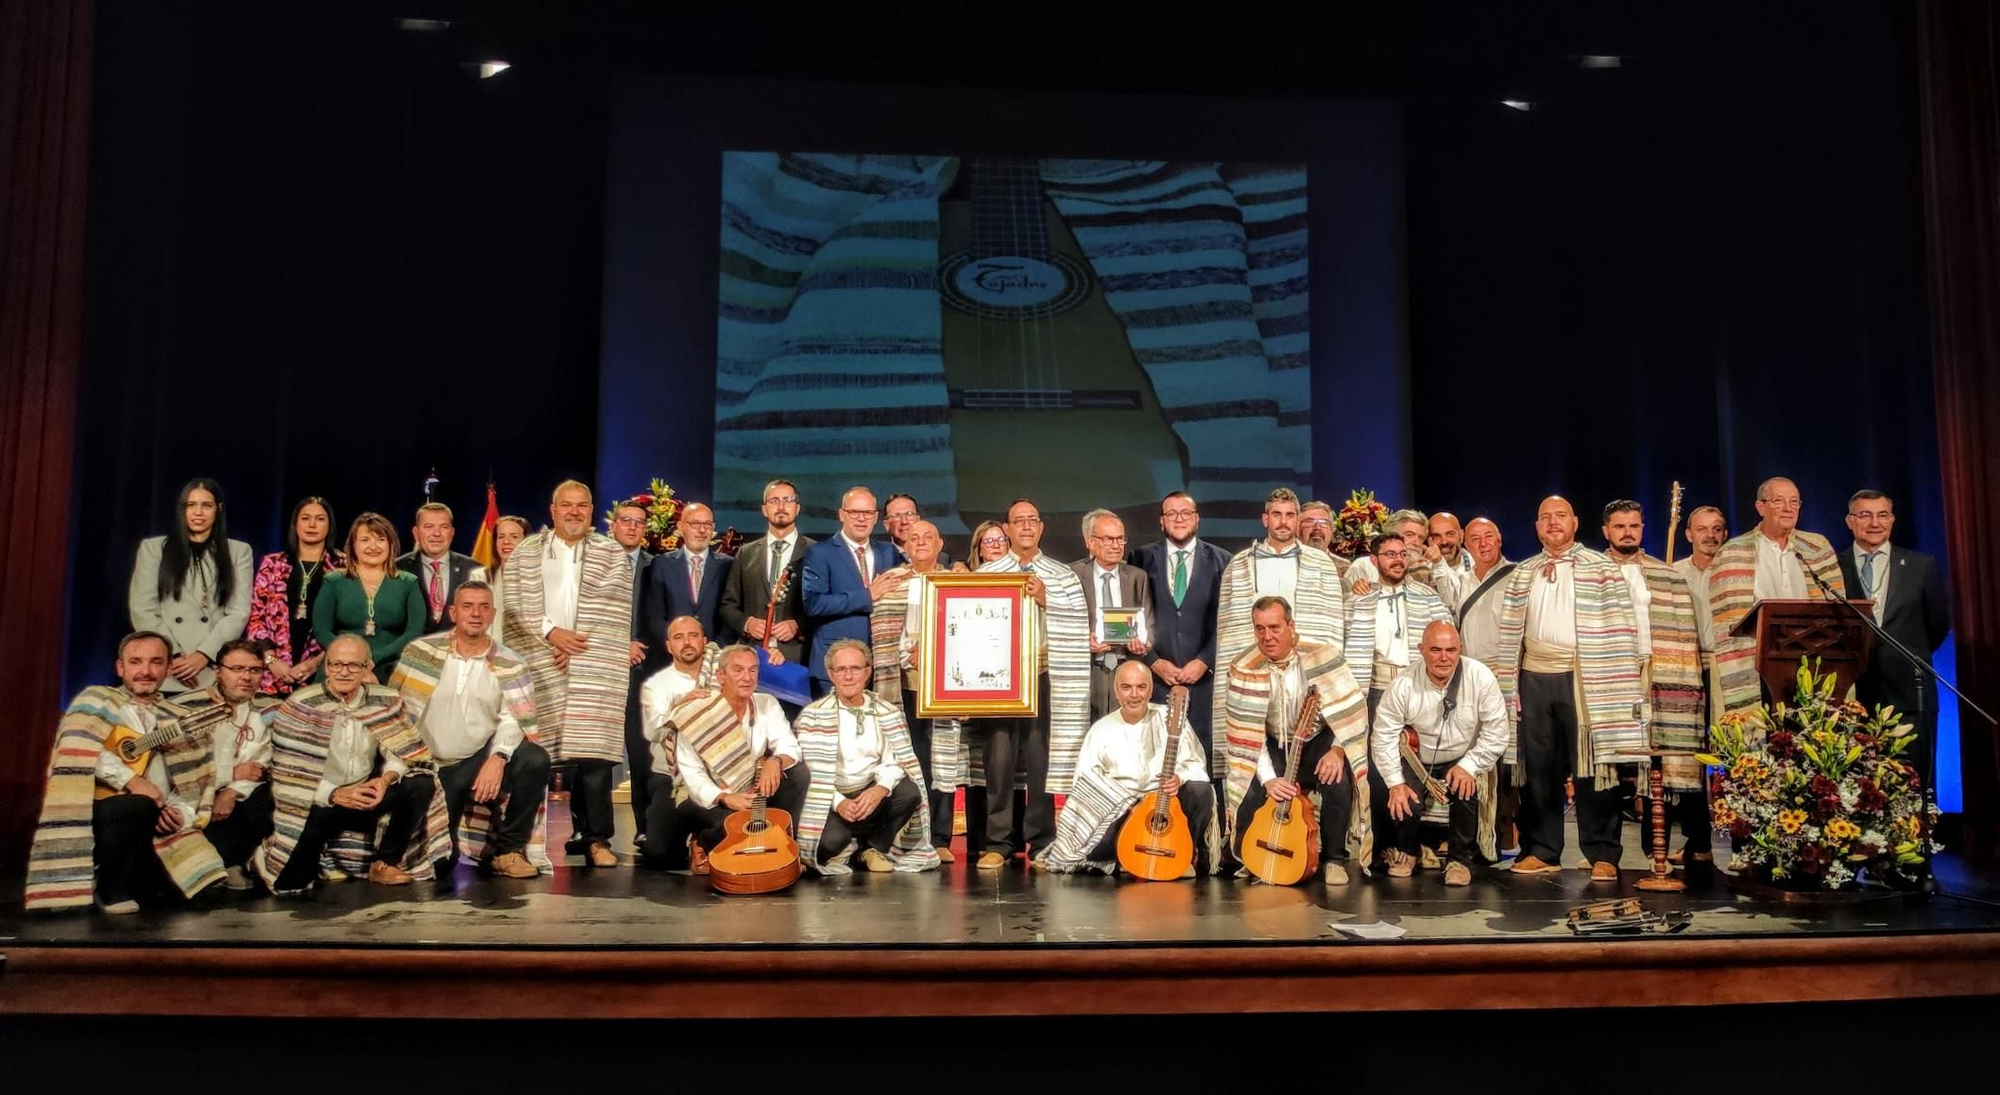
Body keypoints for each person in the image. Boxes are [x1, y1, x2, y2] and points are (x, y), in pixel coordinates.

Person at [1488, 496, 1643, 881]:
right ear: (1537, 527)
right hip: (1534, 673)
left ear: (1575, 522)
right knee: (1539, 768)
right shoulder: (1524, 572)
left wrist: (1618, 682)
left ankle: (1602, 852)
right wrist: (1512, 684)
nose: (1553, 523)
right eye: (1545, 518)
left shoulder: (1602, 567)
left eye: (1560, 516)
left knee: (1592, 764)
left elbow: (1621, 627)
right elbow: (1511, 634)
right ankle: (1542, 849)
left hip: (1585, 675)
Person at [24, 631, 225, 913]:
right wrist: (131, 780)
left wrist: (180, 812)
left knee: (202, 890)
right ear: (121, 668)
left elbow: (195, 781)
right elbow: (77, 747)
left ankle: (134, 876)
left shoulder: (179, 717)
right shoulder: (95, 701)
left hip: (157, 820)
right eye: (136, 662)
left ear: (168, 668)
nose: (145, 671)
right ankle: (109, 889)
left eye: (156, 662)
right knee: (136, 806)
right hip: (101, 812)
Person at [498, 480, 635, 869]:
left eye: (582, 506)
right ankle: (515, 841)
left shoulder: (611, 554)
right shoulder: (525, 553)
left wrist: (578, 648)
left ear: (592, 512)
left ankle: (595, 839)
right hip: (540, 659)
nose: (574, 512)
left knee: (594, 758)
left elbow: (612, 611)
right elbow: (515, 605)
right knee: (532, 753)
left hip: (592, 662)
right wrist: (551, 636)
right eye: (566, 505)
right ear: (552, 510)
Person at [1212, 487, 1346, 867]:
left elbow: (1333, 632)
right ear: (1265, 518)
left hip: (1306, 688)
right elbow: (1228, 636)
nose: (1283, 521)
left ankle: (1333, 858)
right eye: (1276, 514)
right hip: (1256, 688)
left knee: (1336, 775)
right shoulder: (1238, 565)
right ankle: (1243, 853)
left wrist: (1323, 681)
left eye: (1290, 515)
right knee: (1251, 778)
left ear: (1298, 520)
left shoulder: (1321, 566)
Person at [251, 634, 447, 893]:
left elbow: (402, 753)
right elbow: (288, 773)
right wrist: (335, 794)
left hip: (366, 794)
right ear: (326, 667)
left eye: (354, 665)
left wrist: (384, 780)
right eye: (336, 665)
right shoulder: (300, 705)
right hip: (318, 800)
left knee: (421, 783)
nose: (344, 672)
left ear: (368, 667)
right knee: (291, 882)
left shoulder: (385, 699)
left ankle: (384, 862)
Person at [389, 581, 550, 880]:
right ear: (453, 612)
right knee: (441, 864)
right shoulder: (421, 652)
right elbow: (394, 714)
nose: (476, 613)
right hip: (430, 765)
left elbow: (514, 718)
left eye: (484, 607)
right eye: (467, 606)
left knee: (535, 758)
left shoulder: (511, 663)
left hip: (479, 755)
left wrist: (498, 757)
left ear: (493, 614)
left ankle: (508, 852)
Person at [969, 499, 1090, 869]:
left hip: (1044, 677)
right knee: (999, 761)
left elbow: (1079, 622)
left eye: (1032, 521)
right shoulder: (989, 574)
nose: (1025, 527)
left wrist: (1046, 600)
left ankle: (1040, 842)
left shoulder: (1062, 575)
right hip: (1000, 681)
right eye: (1017, 521)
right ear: (1006, 529)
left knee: (1041, 762)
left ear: (1041, 527)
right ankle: (998, 842)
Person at [1224, 597, 1370, 885]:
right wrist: (1268, 779)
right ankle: (1252, 856)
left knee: (1337, 784)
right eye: (1260, 628)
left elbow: (1351, 709)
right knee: (1250, 792)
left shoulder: (1322, 657)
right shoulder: (1243, 667)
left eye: (1275, 627)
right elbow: (1246, 732)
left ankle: (1333, 859)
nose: (1267, 636)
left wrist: (1337, 751)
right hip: (1271, 744)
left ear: (1291, 626)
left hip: (1317, 740)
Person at [1601, 500, 1709, 866]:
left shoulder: (1667, 576)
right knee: (1610, 765)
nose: (1627, 532)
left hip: (1660, 672)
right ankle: (1604, 851)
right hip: (1612, 675)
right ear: (1606, 531)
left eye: (1634, 525)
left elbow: (1684, 632)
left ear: (1642, 529)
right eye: (1619, 526)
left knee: (1657, 762)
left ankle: (1655, 849)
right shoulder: (1591, 572)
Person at [1037, 661, 1214, 875]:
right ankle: (1127, 854)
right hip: (1121, 811)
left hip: (1165, 807)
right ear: (1116, 691)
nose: (1134, 695)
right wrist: (1124, 806)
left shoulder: (1171, 719)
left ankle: (1182, 853)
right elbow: (1084, 786)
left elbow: (1196, 763)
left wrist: (1180, 778)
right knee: (1095, 846)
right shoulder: (1100, 731)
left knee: (1200, 791)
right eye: (1126, 687)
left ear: (1150, 691)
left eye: (1141, 687)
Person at [1369, 622, 1508, 886]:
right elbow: (1383, 736)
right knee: (1401, 796)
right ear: (1421, 650)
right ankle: (1409, 851)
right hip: (1419, 758)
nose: (1444, 657)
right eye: (1435, 650)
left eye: (1450, 650)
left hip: (1462, 757)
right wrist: (1396, 784)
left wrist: (1471, 764)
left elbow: (1497, 731)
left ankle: (1460, 860)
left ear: (1460, 649)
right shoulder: (1403, 684)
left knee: (1466, 787)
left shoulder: (1480, 677)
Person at [1344, 532, 1452, 862]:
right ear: (1374, 560)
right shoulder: (1358, 601)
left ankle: (1410, 845)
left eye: (1403, 553)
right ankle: (1382, 846)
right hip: (1375, 690)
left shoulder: (1427, 597)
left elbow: (1447, 636)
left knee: (1413, 768)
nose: (1397, 559)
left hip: (1416, 690)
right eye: (1389, 554)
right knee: (1377, 770)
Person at [658, 645, 810, 871]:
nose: (746, 678)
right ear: (721, 676)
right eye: (738, 670)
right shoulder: (698, 713)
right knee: (729, 826)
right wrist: (726, 798)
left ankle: (783, 843)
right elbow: (693, 776)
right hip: (708, 796)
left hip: (751, 791)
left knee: (798, 774)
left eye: (752, 670)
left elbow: (790, 747)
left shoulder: (766, 703)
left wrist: (775, 761)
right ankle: (701, 840)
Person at [1836, 490, 1952, 788]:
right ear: (1850, 521)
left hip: (1911, 693)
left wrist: (1904, 658)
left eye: (1883, 514)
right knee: (1859, 789)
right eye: (1865, 515)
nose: (1875, 522)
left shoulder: (1921, 566)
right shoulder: (1833, 566)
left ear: (1893, 520)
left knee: (1914, 787)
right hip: (1855, 696)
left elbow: (1937, 625)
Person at [793, 640, 938, 874]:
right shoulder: (813, 716)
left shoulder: (887, 711)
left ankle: (873, 848)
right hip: (831, 799)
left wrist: (880, 789)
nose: (849, 676)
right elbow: (812, 772)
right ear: (831, 674)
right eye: (841, 670)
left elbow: (897, 761)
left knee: (909, 792)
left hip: (871, 798)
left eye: (855, 669)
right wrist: (839, 803)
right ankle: (849, 845)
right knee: (831, 842)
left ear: (868, 672)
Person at [1708, 477, 1846, 719]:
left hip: (1812, 658)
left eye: (1794, 502)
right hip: (1759, 663)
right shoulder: (1732, 552)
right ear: (1760, 507)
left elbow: (1837, 608)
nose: (1788, 508)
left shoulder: (1817, 548)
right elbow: (1727, 622)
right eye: (1779, 501)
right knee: (1766, 737)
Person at [1131, 491, 1233, 789]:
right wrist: (1153, 661)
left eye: (1185, 513)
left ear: (1197, 519)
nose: (1179, 519)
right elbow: (1130, 617)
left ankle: (1207, 833)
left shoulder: (1222, 561)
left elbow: (1228, 622)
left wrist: (1204, 661)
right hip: (1154, 682)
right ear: (1161, 521)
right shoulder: (1139, 558)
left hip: (1202, 684)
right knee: (1151, 760)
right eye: (1171, 514)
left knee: (1202, 766)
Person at [128, 477, 255, 694]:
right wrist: (173, 656)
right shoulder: (154, 549)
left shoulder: (238, 552)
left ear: (218, 509)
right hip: (166, 666)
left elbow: (238, 612)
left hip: (211, 667)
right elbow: (143, 609)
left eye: (206, 505)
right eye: (191, 505)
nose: (198, 512)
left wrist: (204, 655)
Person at [877, 519, 957, 859]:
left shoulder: (958, 582)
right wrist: (906, 654)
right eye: (913, 538)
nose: (921, 542)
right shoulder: (890, 583)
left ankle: (939, 839)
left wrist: (936, 651)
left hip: (948, 687)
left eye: (928, 537)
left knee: (944, 760)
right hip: (903, 687)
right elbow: (880, 635)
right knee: (914, 759)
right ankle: (910, 836)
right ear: (904, 546)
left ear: (940, 545)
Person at [802, 486, 907, 696]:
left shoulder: (889, 552)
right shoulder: (820, 552)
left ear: (876, 517)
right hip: (836, 666)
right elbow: (814, 604)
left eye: (868, 513)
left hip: (881, 666)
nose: (861, 519)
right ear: (842, 514)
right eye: (854, 512)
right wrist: (867, 596)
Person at [637, 616, 718, 867]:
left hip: (720, 774)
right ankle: (689, 835)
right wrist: (679, 707)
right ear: (669, 646)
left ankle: (702, 838)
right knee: (661, 854)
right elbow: (654, 733)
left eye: (693, 635)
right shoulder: (656, 685)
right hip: (673, 777)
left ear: (704, 641)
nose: (687, 643)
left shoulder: (725, 674)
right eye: (678, 637)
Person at [197, 639, 278, 888]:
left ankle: (241, 861)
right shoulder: (191, 708)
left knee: (271, 795)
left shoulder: (267, 710)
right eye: (237, 669)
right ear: (218, 671)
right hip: (195, 800)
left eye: (254, 670)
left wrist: (232, 790)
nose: (246, 677)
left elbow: (260, 765)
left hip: (239, 801)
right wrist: (229, 774)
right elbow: (181, 769)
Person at [1673, 505, 1729, 866]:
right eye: (1702, 529)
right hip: (1685, 670)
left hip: (1728, 668)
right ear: (1689, 534)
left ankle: (1744, 843)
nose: (1711, 535)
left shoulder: (1737, 571)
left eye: (1718, 528)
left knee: (1734, 755)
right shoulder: (1672, 573)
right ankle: (1698, 842)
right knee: (1690, 757)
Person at [247, 496, 347, 695]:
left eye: (320, 519)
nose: (312, 524)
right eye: (305, 518)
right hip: (272, 675)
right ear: (295, 523)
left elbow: (347, 623)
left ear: (330, 525)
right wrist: (272, 661)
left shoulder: (343, 566)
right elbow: (256, 618)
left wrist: (315, 663)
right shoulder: (273, 563)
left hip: (323, 673)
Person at [312, 513, 427, 684]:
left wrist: (375, 657)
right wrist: (350, 659)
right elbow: (322, 630)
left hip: (392, 666)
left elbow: (414, 633)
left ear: (390, 545)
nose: (373, 546)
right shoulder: (334, 581)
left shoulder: (408, 583)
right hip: (341, 668)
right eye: (365, 540)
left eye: (380, 539)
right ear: (353, 545)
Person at [720, 479, 815, 668]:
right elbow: (728, 605)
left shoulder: (815, 552)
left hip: (798, 657)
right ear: (764, 509)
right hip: (753, 658)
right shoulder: (745, 553)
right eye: (774, 501)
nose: (781, 506)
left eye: (787, 500)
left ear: (797, 508)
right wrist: (747, 623)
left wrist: (797, 625)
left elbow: (823, 607)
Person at [607, 497, 659, 839]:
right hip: (601, 668)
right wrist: (618, 643)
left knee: (643, 752)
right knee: (594, 756)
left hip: (645, 670)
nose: (632, 527)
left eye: (639, 522)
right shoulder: (595, 563)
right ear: (614, 525)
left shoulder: (657, 566)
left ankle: (645, 828)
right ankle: (591, 833)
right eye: (626, 520)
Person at [1073, 509, 1152, 720]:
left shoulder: (1137, 577)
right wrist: (1083, 642)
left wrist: (1143, 642)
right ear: (1090, 542)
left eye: (1120, 539)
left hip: (1125, 669)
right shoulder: (1072, 576)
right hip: (1088, 670)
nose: (1117, 546)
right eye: (1109, 539)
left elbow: (1149, 625)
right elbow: (1060, 625)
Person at [642, 501, 733, 649]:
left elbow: (732, 612)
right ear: (681, 527)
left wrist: (716, 646)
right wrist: (678, 644)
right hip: (671, 656)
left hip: (714, 655)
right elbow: (654, 616)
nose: (702, 530)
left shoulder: (727, 565)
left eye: (708, 524)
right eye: (695, 524)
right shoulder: (661, 564)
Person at [399, 502, 486, 633]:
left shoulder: (474, 570)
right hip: (411, 650)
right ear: (416, 533)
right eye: (429, 527)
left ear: (452, 533)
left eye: (444, 527)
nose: (436, 533)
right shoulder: (398, 568)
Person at [485, 514, 531, 627]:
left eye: (514, 537)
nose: (506, 542)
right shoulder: (480, 577)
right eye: (501, 536)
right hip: (490, 641)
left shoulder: (538, 577)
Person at [1428, 511, 1472, 582]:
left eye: (1450, 534)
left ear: (1461, 536)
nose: (1444, 542)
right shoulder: (1422, 572)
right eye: (1436, 536)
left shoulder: (1478, 565)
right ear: (1429, 541)